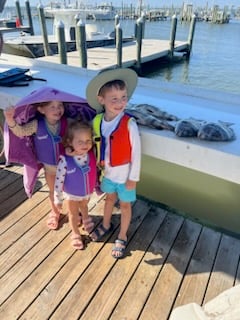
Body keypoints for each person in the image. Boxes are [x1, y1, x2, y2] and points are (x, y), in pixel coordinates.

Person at [3, 86, 96, 230]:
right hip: (50, 168)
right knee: (53, 191)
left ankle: (76, 212)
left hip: (69, 167)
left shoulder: (69, 122)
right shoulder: (36, 124)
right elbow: (20, 132)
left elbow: (82, 129)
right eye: (52, 107)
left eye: (60, 106)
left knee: (73, 192)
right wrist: (10, 119)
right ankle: (55, 212)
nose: (57, 109)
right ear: (41, 109)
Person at [85, 68, 141, 259]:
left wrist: (133, 179)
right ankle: (106, 224)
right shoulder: (97, 120)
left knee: (125, 206)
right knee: (108, 200)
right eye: (114, 98)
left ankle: (122, 235)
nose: (120, 102)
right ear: (102, 100)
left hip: (125, 177)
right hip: (107, 174)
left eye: (123, 97)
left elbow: (137, 154)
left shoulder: (129, 124)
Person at [54, 120, 97, 249]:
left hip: (87, 191)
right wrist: (58, 198)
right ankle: (75, 233)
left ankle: (85, 218)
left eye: (88, 140)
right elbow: (59, 179)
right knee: (72, 214)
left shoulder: (91, 154)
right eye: (80, 142)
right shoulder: (65, 160)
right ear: (69, 142)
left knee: (84, 206)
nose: (85, 144)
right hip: (72, 194)